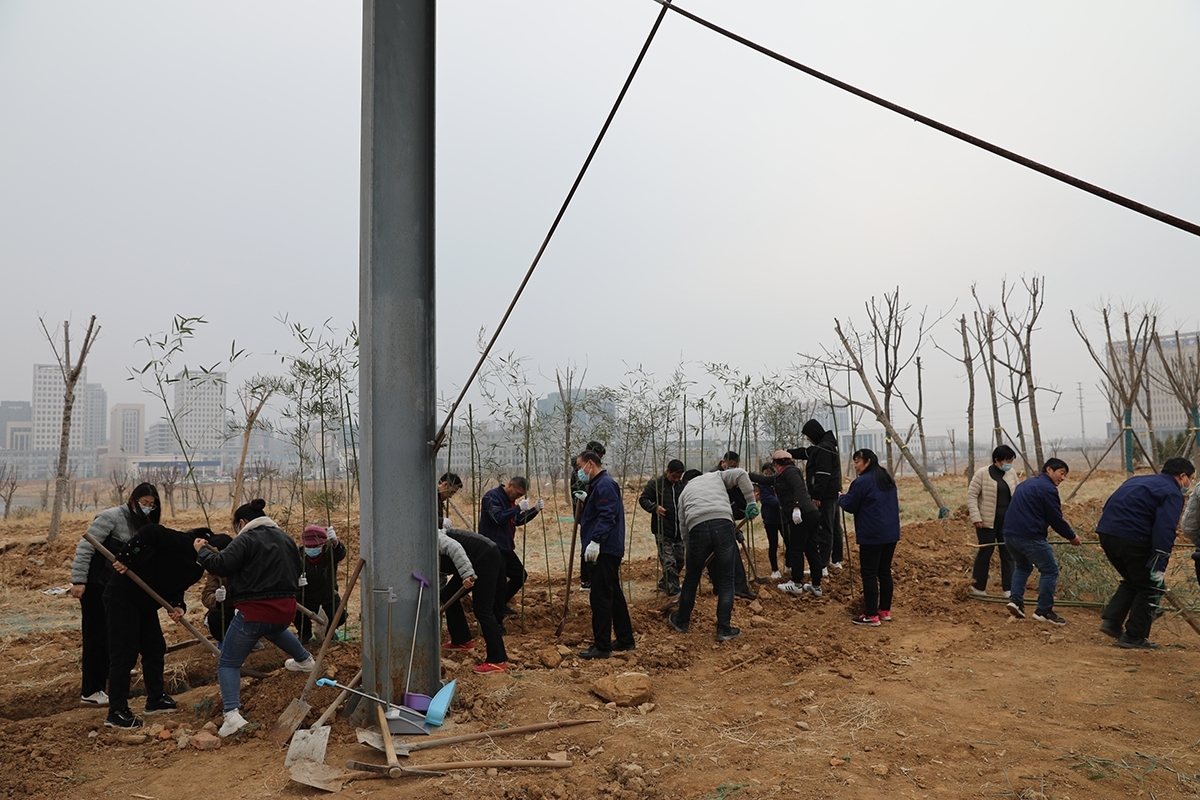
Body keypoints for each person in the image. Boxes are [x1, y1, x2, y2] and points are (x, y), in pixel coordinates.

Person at [193, 499, 315, 738]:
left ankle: (231, 715)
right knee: (274, 629)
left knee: (228, 662)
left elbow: (222, 564)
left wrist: (202, 550)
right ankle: (305, 660)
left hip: (255, 610)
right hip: (286, 608)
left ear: (241, 522)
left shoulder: (245, 539)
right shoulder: (286, 539)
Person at [101, 523, 207, 728]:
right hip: (122, 596)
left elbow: (177, 583)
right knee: (124, 653)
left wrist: (177, 604)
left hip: (145, 602)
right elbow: (150, 531)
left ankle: (156, 699)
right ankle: (116, 711)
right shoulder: (180, 542)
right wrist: (126, 557)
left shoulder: (197, 567)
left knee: (154, 647)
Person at [69, 482, 161, 708]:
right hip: (96, 585)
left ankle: (113, 675)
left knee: (114, 633)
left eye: (151, 504)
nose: (148, 507)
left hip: (118, 589)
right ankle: (91, 690)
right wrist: (79, 580)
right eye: (144, 503)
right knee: (96, 637)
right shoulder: (110, 517)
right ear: (132, 500)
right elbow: (86, 547)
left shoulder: (143, 524)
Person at [1096, 457, 1195, 650]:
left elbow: (1110, 504)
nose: (1190, 484)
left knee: (1135, 579)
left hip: (1107, 534)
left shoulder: (1137, 480)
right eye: (1191, 478)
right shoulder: (1172, 493)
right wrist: (1159, 562)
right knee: (1150, 588)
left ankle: (1112, 621)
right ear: (1182, 476)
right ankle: (1134, 637)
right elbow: (1165, 529)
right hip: (1133, 539)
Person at [670, 467, 760, 642]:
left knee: (691, 578)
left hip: (697, 527)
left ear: (686, 481)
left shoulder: (684, 493)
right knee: (727, 580)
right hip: (723, 524)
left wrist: (693, 553)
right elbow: (741, 474)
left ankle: (681, 621)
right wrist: (751, 502)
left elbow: (683, 527)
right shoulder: (716, 476)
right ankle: (724, 629)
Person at [1003, 458, 1080, 625]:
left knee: (1023, 566)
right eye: (1061, 473)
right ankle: (1044, 611)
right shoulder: (1048, 489)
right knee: (1050, 570)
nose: (1063, 478)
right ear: (1049, 470)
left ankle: (1015, 601)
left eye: (1065, 475)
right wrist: (1072, 537)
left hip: (1009, 535)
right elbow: (1056, 519)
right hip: (1029, 536)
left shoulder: (1025, 484)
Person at [576, 449, 635, 659]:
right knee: (613, 593)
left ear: (590, 464)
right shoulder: (598, 486)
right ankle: (625, 639)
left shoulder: (605, 484)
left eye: (579, 466)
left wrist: (595, 541)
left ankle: (602, 646)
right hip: (607, 547)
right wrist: (587, 499)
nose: (578, 471)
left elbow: (607, 515)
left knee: (600, 596)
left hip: (605, 548)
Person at [839, 449, 900, 626]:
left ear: (867, 461)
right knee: (884, 572)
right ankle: (884, 610)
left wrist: (841, 498)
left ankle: (871, 615)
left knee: (869, 574)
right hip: (890, 533)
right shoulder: (886, 478)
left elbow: (851, 505)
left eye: (857, 462)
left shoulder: (861, 482)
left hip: (872, 535)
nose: (855, 466)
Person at [438, 527, 509, 673]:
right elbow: (438, 577)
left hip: (485, 557)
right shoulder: (420, 550)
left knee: (483, 609)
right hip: (473, 559)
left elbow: (455, 548)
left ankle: (497, 660)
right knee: (448, 595)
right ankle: (462, 640)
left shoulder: (432, 539)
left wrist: (467, 574)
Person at [751, 451, 820, 597]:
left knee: (796, 548)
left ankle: (796, 583)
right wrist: (746, 475)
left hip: (802, 514)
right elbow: (764, 480)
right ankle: (816, 585)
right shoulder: (781, 476)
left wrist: (796, 507)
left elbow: (799, 489)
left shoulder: (791, 472)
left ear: (776, 463)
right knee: (810, 548)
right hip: (810, 513)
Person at [478, 476, 543, 619]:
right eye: (518, 494)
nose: (518, 497)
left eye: (521, 496)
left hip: (506, 548)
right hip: (493, 548)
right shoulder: (491, 497)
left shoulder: (511, 502)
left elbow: (517, 520)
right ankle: (497, 621)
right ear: (510, 485)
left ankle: (500, 605)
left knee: (520, 575)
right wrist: (518, 508)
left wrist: (534, 510)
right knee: (499, 586)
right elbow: (498, 518)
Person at [966, 445, 1020, 597]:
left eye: (1011, 460)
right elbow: (972, 495)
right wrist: (976, 517)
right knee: (986, 552)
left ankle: (1008, 588)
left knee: (1008, 552)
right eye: (1007, 460)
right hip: (986, 521)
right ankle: (978, 587)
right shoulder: (982, 474)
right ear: (997, 460)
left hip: (1007, 521)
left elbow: (1016, 495)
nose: (1009, 464)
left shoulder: (1011, 473)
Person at [791, 419, 844, 570]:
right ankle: (836, 560)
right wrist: (789, 452)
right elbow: (805, 452)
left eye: (808, 436)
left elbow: (823, 474)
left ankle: (822, 565)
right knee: (834, 526)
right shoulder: (825, 446)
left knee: (825, 528)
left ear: (814, 433)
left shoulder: (823, 449)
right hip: (832, 492)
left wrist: (817, 496)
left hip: (825, 495)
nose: (808, 439)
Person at [710, 451, 757, 600]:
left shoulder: (728, 475)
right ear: (724, 462)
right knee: (724, 553)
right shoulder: (715, 477)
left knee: (716, 553)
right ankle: (737, 587)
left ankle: (725, 586)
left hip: (722, 517)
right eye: (730, 466)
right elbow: (722, 502)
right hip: (717, 517)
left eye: (735, 467)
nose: (732, 469)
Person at [638, 459, 686, 596]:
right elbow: (643, 499)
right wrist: (654, 508)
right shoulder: (656, 484)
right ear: (667, 471)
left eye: (679, 477)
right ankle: (673, 592)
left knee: (680, 561)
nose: (676, 480)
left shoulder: (680, 485)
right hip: (662, 530)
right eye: (674, 476)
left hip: (678, 531)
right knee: (669, 562)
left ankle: (664, 583)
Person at [295, 525, 347, 643]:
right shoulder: (298, 555)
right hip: (306, 595)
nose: (312, 549)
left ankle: (329, 632)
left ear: (323, 544)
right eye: (309, 546)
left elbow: (340, 553)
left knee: (339, 616)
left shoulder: (329, 553)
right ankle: (304, 634)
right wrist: (296, 582)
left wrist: (335, 542)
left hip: (327, 594)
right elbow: (288, 571)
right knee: (296, 613)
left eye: (316, 546)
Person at [573, 440, 606, 590]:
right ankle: (586, 579)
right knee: (588, 545)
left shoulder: (603, 481)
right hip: (585, 512)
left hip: (589, 509)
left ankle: (590, 578)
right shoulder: (581, 470)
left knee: (590, 545)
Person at [757, 462, 784, 579]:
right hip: (770, 519)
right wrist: (783, 503)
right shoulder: (762, 484)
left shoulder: (780, 481)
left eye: (771, 472)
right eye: (766, 473)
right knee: (773, 544)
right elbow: (767, 499)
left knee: (789, 542)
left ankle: (789, 565)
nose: (768, 475)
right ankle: (775, 570)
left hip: (783, 518)